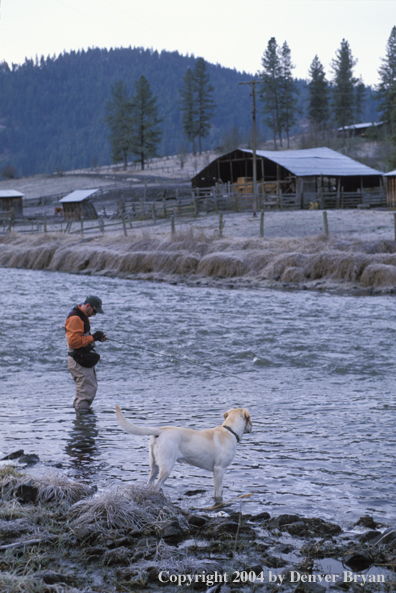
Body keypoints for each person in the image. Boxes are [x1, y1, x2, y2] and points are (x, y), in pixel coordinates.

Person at [65, 295, 107, 411]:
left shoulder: (83, 316)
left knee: (88, 390)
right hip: (78, 359)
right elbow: (74, 342)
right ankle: (83, 423)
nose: (94, 314)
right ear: (88, 305)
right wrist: (93, 337)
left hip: (81, 357)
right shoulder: (75, 318)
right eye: (94, 311)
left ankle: (81, 420)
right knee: (86, 392)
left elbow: (81, 337)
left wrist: (96, 338)